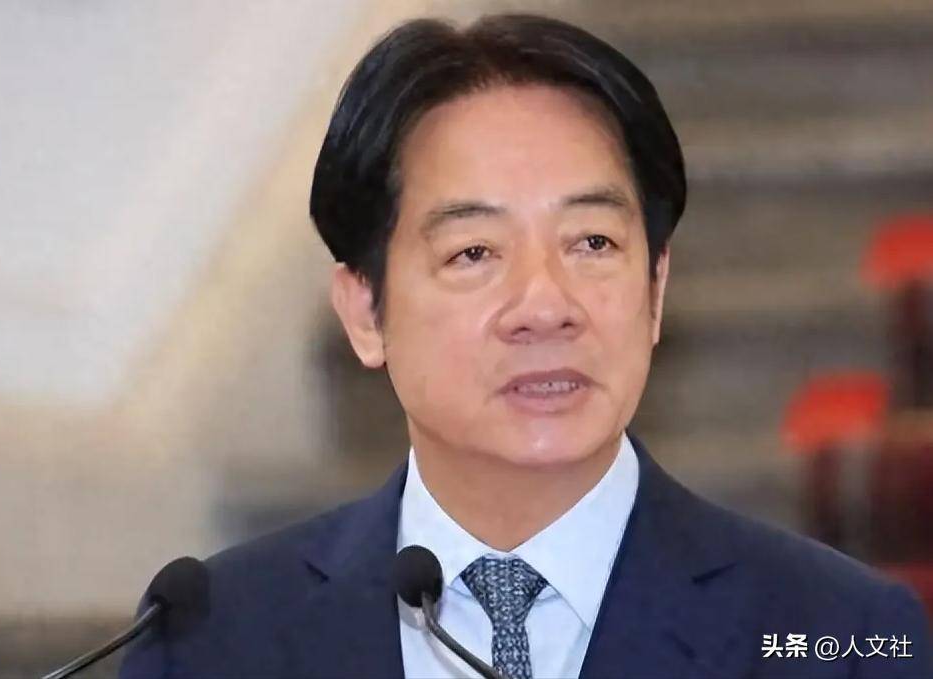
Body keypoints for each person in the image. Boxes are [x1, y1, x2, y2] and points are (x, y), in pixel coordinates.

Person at [120, 13, 932, 679]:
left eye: (592, 242)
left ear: (655, 290)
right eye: (474, 252)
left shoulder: (842, 636)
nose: (545, 305)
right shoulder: (208, 640)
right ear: (365, 311)